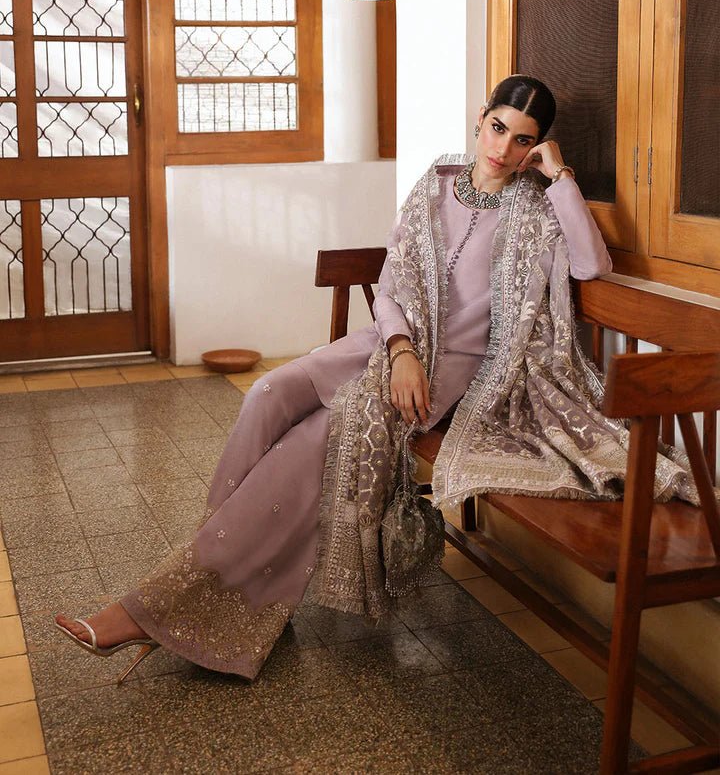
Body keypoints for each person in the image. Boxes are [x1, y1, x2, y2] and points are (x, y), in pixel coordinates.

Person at [54, 74, 624, 682]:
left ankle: (160, 607)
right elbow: (395, 281)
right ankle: (207, 584)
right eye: (498, 128)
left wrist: (559, 175)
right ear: (481, 117)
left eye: (523, 141)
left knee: (308, 447)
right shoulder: (436, 185)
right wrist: (400, 344)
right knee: (269, 391)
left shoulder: (534, 210)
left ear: (536, 148)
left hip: (446, 373)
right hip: (388, 345)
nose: (503, 149)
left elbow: (593, 263)